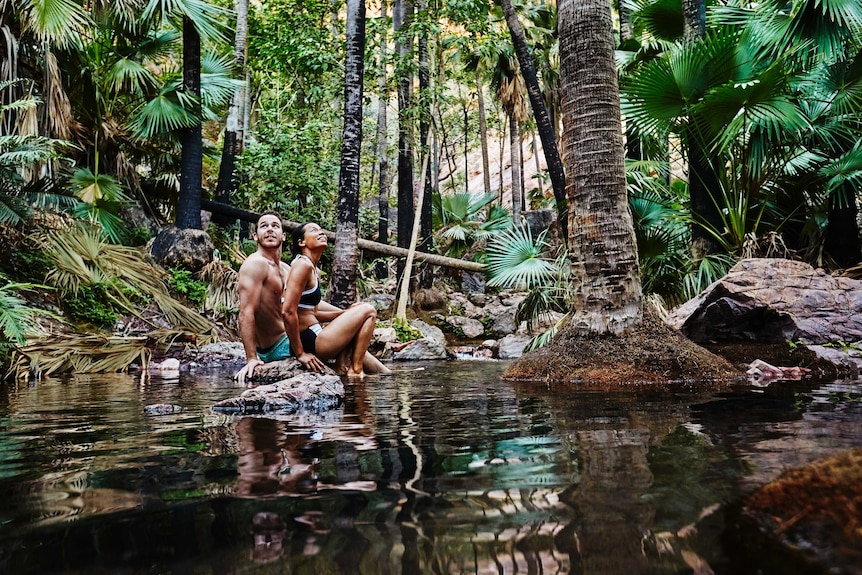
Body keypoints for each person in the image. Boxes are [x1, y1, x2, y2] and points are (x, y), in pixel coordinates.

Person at [283, 222, 390, 378]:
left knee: (358, 310)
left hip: (317, 336)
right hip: (311, 342)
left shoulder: (314, 269)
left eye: (321, 230)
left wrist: (346, 314)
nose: (321, 233)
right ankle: (355, 369)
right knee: (368, 310)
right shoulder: (301, 266)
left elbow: (313, 312)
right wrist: (300, 353)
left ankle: (342, 366)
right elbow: (287, 311)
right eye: (314, 230)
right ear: (301, 242)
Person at [235, 211, 292, 386]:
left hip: (291, 340)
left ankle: (373, 376)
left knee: (347, 335)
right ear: (255, 236)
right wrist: (252, 358)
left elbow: (309, 307)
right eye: (264, 226)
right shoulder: (255, 264)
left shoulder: (286, 269)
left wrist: (343, 313)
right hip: (277, 346)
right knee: (345, 340)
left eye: (275, 226)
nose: (269, 230)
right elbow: (245, 312)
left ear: (283, 236)